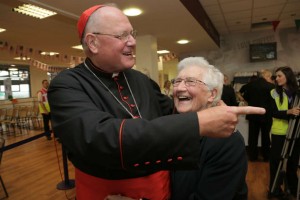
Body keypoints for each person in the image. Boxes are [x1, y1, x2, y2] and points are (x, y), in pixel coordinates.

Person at [48, 4, 265, 200]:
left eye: (132, 33)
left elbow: (171, 111)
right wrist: (198, 122)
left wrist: (210, 106)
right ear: (92, 42)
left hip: (160, 189)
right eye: (122, 35)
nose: (133, 41)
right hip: (106, 193)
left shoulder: (139, 79)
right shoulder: (67, 85)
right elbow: (100, 138)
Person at [106, 57, 248, 200]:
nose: (179, 88)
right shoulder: (176, 127)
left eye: (190, 82)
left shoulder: (228, 142)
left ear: (212, 94)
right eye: (177, 81)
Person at [268, 66, 300, 198]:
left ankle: (293, 189)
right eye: (276, 76)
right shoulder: (274, 92)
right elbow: (273, 112)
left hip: (295, 133)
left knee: (292, 164)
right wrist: (289, 111)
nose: (277, 78)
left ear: (288, 76)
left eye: (280, 76)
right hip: (279, 133)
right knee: (276, 163)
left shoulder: (297, 92)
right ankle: (274, 189)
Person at [240, 70, 275, 161]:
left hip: (253, 114)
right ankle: (266, 156)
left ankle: (253, 157)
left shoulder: (251, 85)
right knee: (266, 137)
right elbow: (274, 101)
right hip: (266, 114)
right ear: (266, 76)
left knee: (252, 137)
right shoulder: (271, 87)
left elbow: (244, 95)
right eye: (270, 77)